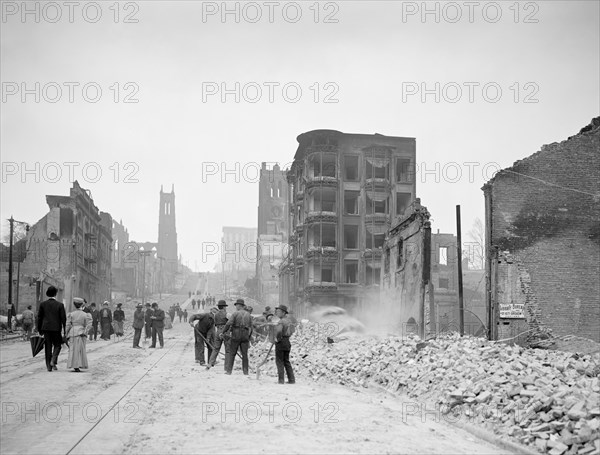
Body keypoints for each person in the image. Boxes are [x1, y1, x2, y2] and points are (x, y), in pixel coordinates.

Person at [37, 286, 66, 372]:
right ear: (56, 294)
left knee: (48, 347)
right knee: (58, 345)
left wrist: (39, 330)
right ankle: (53, 360)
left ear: (47, 294)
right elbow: (63, 319)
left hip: (45, 329)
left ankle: (49, 366)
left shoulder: (42, 304)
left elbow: (39, 318)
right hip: (56, 329)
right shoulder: (60, 305)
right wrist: (65, 330)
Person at [222, 299, 252, 375]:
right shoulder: (248, 315)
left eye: (236, 305)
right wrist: (248, 337)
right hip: (245, 335)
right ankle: (245, 371)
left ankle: (229, 371)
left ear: (239, 305)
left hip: (236, 334)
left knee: (232, 353)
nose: (236, 307)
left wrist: (223, 332)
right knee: (245, 354)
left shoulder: (235, 314)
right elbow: (251, 327)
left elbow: (229, 323)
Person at [66, 298, 92, 372]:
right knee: (80, 349)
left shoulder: (71, 314)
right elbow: (89, 325)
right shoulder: (85, 314)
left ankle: (73, 365)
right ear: (82, 305)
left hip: (73, 332)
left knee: (72, 349)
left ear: (75, 305)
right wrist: (85, 332)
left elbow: (68, 325)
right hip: (81, 333)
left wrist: (66, 333)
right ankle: (79, 364)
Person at [274, 305, 295, 384]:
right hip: (287, 342)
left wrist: (277, 339)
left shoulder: (281, 321)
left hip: (281, 342)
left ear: (283, 313)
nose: (277, 313)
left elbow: (279, 331)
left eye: (279, 312)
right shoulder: (289, 321)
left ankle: (281, 380)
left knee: (279, 361)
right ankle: (291, 379)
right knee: (286, 361)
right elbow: (293, 331)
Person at [207, 300, 230, 370]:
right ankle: (227, 367)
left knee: (216, 349)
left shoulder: (215, 314)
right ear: (224, 307)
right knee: (228, 350)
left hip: (218, 331)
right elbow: (231, 322)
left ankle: (210, 364)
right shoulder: (227, 314)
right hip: (225, 332)